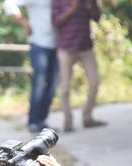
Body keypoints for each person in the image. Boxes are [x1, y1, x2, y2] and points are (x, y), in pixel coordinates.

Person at [5, 0, 59, 133]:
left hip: (58, 45)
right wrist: (25, 23)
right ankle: (33, 122)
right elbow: (8, 3)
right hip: (39, 44)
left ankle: (42, 120)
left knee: (53, 86)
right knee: (39, 84)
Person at [53, 0, 105, 131]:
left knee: (94, 83)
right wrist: (72, 8)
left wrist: (89, 6)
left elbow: (97, 17)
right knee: (64, 88)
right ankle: (68, 121)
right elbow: (56, 22)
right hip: (66, 48)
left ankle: (87, 117)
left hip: (86, 47)